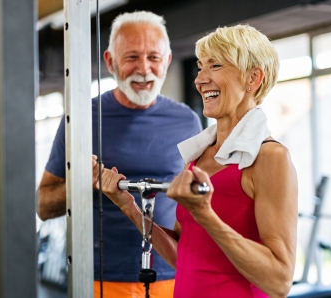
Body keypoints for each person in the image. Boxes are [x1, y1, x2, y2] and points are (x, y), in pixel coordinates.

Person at [94, 24, 298, 298]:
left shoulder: (271, 158)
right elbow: (185, 256)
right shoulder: (198, 158)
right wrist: (129, 207)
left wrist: (205, 215)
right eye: (200, 67)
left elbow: (279, 281)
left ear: (253, 78)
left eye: (215, 66)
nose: (200, 79)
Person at [37, 11, 202, 298]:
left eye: (153, 57)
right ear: (110, 61)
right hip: (100, 277)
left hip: (175, 273)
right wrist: (79, 183)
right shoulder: (81, 118)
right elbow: (43, 206)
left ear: (167, 61)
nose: (144, 69)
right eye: (132, 57)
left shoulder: (187, 120)